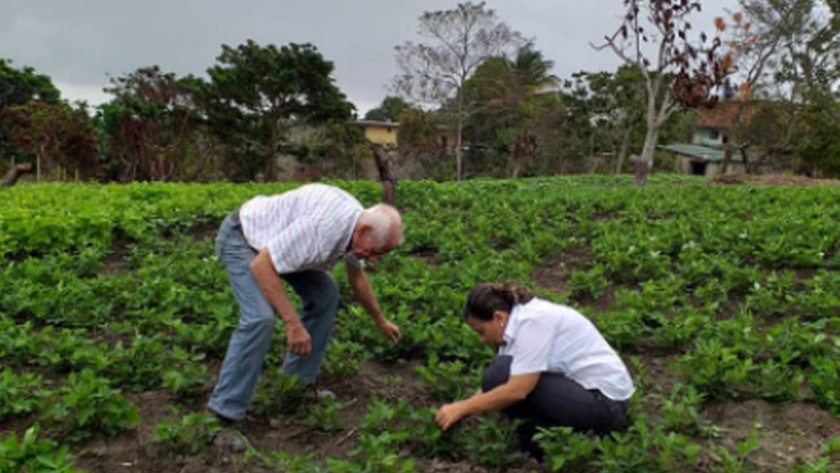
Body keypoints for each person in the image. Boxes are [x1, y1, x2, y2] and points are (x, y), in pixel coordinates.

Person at [208, 183, 403, 423]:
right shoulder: (324, 229)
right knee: (260, 318)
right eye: (374, 251)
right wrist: (293, 324)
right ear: (362, 230)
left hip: (279, 243)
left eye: (380, 255)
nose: (373, 259)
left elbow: (357, 277)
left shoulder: (359, 225)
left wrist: (380, 320)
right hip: (244, 239)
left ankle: (295, 389)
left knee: (326, 293)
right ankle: (223, 412)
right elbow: (262, 265)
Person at [435, 283, 634, 458]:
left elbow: (516, 389)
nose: (482, 339)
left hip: (605, 403)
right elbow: (495, 383)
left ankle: (545, 448)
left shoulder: (532, 323)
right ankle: (547, 443)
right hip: (587, 393)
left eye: (481, 331)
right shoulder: (516, 322)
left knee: (505, 377)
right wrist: (460, 410)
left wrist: (463, 407)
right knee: (500, 374)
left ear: (498, 317)